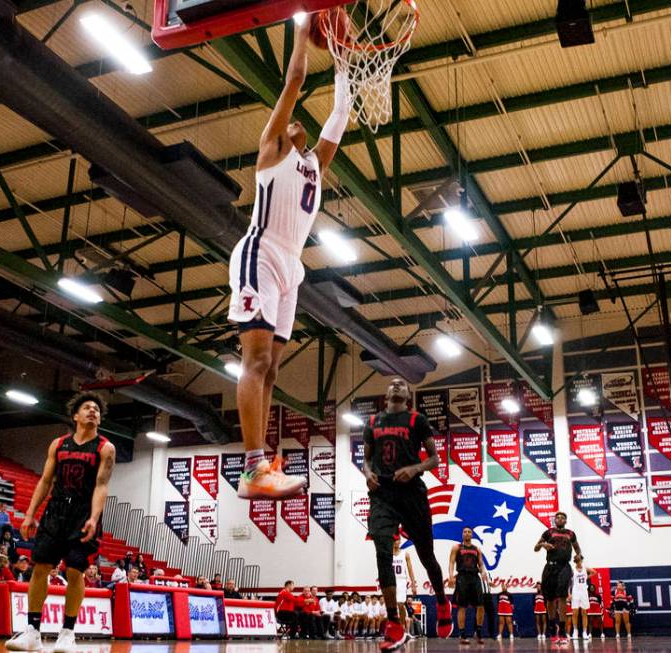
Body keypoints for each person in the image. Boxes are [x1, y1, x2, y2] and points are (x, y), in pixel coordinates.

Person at [232, 12, 349, 503]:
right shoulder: (270, 150)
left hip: (290, 269)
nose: (297, 125)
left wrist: (345, 60)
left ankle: (262, 463)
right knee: (256, 362)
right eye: (290, 123)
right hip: (259, 252)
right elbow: (296, 79)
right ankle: (254, 467)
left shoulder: (313, 166)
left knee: (274, 370)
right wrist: (303, 30)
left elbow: (341, 116)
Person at [5, 392, 116, 653]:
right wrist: (31, 513)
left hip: (82, 514)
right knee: (41, 567)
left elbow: (102, 485)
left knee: (75, 571)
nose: (92, 411)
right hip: (55, 511)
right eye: (87, 408)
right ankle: (32, 631)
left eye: (96, 409)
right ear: (75, 415)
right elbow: (45, 481)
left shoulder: (105, 448)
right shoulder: (58, 444)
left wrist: (94, 517)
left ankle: (67, 633)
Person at [363, 377, 455, 650]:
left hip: (411, 492)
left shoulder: (417, 420)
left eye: (402, 383)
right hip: (382, 493)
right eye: (391, 383)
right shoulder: (372, 422)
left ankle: (441, 600)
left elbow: (435, 458)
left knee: (427, 555)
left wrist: (415, 469)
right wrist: (368, 474)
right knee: (382, 550)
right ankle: (394, 623)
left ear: (408, 394)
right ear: (386, 393)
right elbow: (366, 459)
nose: (395, 384)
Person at [534, 511, 581, 644]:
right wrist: (543, 545)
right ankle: (552, 628)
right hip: (549, 568)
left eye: (562, 518)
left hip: (564, 567)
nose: (560, 519)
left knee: (562, 596)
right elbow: (535, 548)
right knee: (549, 600)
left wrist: (579, 557)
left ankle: (562, 630)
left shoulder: (570, 534)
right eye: (557, 517)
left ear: (565, 521)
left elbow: (578, 549)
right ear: (555, 520)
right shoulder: (548, 532)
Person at [449, 526, 487, 644]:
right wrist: (451, 576)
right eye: (464, 532)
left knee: (481, 605)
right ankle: (462, 634)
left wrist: (484, 572)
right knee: (462, 607)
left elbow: (481, 564)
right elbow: (451, 562)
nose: (467, 533)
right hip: (462, 578)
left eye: (469, 532)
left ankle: (478, 632)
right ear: (462, 534)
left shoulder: (477, 549)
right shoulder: (456, 547)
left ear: (472, 534)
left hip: (475, 578)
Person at [568, 554, 594, 640]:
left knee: (584, 612)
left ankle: (584, 632)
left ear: (581, 560)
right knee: (575, 612)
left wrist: (586, 577)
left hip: (583, 591)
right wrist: (569, 593)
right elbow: (569, 582)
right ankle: (575, 631)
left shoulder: (585, 568)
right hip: (575, 592)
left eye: (580, 560)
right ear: (576, 561)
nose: (579, 562)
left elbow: (594, 572)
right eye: (578, 561)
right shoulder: (572, 570)